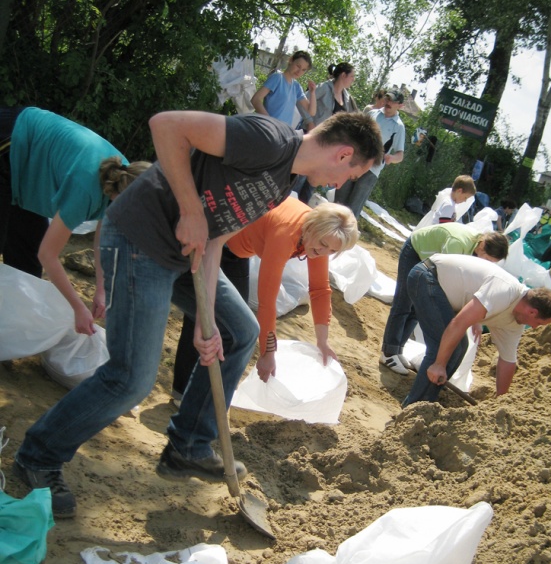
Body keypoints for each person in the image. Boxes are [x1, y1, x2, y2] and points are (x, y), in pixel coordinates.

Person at [12, 110, 383, 518]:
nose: (341, 185)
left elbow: (215, 240)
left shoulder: (282, 185)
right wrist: (190, 210)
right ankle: (39, 454)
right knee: (131, 378)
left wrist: (205, 321)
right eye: (351, 174)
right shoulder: (269, 140)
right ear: (343, 154)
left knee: (240, 330)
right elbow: (166, 125)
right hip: (140, 240)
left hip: (185, 255)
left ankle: (189, 444)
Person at [172, 199, 358, 395]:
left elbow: (319, 289)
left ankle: (202, 393)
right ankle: (184, 391)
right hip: (216, 244)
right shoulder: (286, 233)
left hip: (237, 253)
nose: (324, 253)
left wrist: (323, 341)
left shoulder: (317, 239)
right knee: (218, 320)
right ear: (312, 227)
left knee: (233, 328)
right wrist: (267, 353)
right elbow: (267, 301)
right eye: (323, 244)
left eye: (333, 251)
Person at [0, 106, 150, 334]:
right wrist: (78, 307)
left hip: (25, 172)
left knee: (27, 264)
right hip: (10, 140)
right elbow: (48, 255)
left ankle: (11, 333)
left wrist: (101, 289)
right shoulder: (86, 190)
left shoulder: (125, 178)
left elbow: (102, 238)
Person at [402, 254, 551, 407]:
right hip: (427, 276)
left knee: (460, 348)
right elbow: (459, 323)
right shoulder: (505, 291)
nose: (534, 328)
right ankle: (413, 407)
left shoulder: (515, 323)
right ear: (532, 312)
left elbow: (507, 360)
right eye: (538, 323)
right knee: (442, 348)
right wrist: (439, 364)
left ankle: (425, 401)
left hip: (442, 291)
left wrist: (501, 400)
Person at [380, 224, 510, 374]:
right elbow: (445, 276)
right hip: (416, 251)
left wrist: (476, 320)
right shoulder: (457, 244)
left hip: (430, 263)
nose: (487, 264)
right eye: (487, 259)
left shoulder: (475, 249)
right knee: (403, 302)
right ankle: (388, 353)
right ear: (482, 246)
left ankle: (397, 350)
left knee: (416, 310)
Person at [294, 61, 359, 203]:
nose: (353, 80)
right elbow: (301, 101)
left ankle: (300, 209)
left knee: (313, 181)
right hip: (312, 139)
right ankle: (288, 205)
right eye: (352, 76)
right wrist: (309, 122)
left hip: (327, 146)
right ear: (343, 75)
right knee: (300, 177)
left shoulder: (347, 98)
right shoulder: (324, 88)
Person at [334, 89, 405, 218]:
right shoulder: (372, 113)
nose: (388, 102)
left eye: (392, 101)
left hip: (372, 170)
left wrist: (391, 158)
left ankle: (345, 230)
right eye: (387, 99)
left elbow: (400, 155)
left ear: (400, 105)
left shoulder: (399, 126)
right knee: (339, 200)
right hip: (354, 161)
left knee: (353, 208)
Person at [250, 50, 316, 128]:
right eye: (298, 66)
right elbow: (255, 99)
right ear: (291, 60)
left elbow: (311, 112)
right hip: (268, 129)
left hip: (283, 132)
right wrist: (270, 122)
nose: (299, 71)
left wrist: (312, 92)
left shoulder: (296, 87)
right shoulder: (278, 78)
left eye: (303, 70)